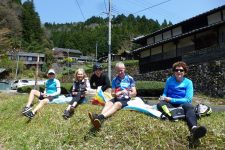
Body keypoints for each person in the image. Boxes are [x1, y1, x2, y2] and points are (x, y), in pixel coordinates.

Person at [157, 61, 207, 141]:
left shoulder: (188, 82)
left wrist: (172, 99)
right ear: (174, 72)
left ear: (185, 72)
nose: (179, 72)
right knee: (160, 104)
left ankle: (194, 129)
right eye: (176, 70)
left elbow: (188, 99)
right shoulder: (169, 80)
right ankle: (177, 115)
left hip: (182, 104)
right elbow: (165, 93)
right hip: (169, 104)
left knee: (189, 106)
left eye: (181, 70)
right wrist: (163, 97)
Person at [88, 62, 137, 129]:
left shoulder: (130, 79)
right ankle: (98, 119)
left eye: (121, 70)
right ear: (116, 70)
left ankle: (99, 117)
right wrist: (117, 93)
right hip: (117, 97)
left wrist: (127, 93)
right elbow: (113, 94)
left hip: (126, 98)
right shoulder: (114, 80)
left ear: (124, 69)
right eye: (118, 71)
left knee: (117, 104)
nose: (120, 72)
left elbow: (134, 93)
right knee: (108, 103)